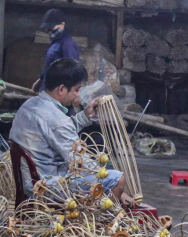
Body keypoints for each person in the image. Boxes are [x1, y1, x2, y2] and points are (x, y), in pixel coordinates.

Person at [10, 58, 133, 204]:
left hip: (29, 179)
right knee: (117, 179)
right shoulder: (56, 119)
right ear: (61, 89)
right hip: (47, 187)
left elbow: (56, 132)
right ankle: (98, 222)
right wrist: (112, 185)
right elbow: (79, 162)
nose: (78, 94)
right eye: (76, 89)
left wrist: (85, 116)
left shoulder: (30, 104)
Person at [33, 8, 81, 93]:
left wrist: (75, 93)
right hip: (47, 90)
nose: (49, 31)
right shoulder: (55, 42)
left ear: (62, 25)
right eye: (47, 28)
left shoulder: (68, 44)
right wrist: (40, 81)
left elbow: (73, 71)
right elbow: (50, 66)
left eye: (51, 27)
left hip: (57, 93)